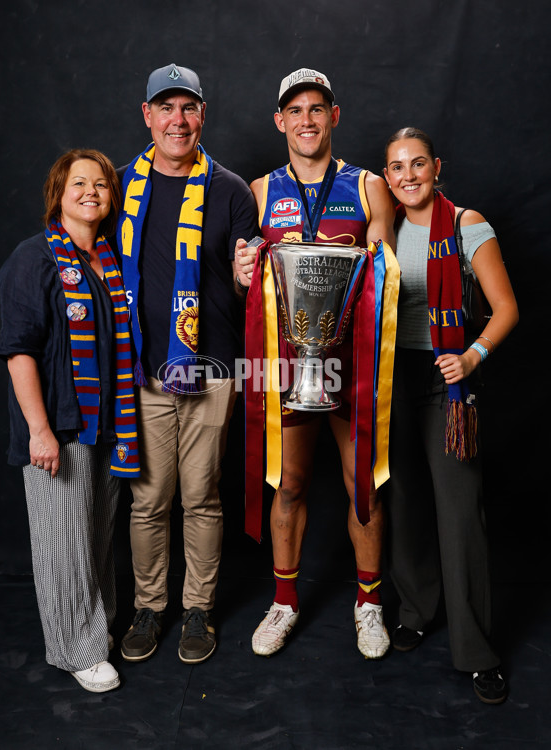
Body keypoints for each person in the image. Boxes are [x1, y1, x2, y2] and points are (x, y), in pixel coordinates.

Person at [235, 68, 396, 659]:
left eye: (317, 109)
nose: (307, 120)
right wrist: (241, 271)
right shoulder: (258, 189)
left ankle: (370, 605)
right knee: (290, 483)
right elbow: (242, 272)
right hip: (285, 361)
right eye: (295, 111)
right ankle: (284, 602)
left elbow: (385, 268)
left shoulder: (368, 186)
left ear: (335, 115)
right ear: (281, 121)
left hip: (353, 359)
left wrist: (361, 259)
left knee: (365, 486)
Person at [117, 63, 258, 665]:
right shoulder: (120, 184)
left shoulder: (231, 191)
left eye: (189, 108)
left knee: (201, 497)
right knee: (149, 499)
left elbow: (245, 286)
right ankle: (150, 606)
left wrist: (247, 276)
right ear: (147, 115)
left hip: (213, 367)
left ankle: (197, 608)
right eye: (166, 108)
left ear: (203, 115)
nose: (178, 120)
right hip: (142, 366)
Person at [382, 127, 518, 704]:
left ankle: (477, 649)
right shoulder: (383, 226)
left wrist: (471, 355)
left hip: (448, 385)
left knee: (459, 515)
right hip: (394, 378)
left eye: (417, 164)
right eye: (396, 168)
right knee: (406, 502)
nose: (407, 176)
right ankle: (416, 610)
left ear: (436, 166)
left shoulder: (466, 224)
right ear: (387, 176)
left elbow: (507, 307)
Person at [0, 149, 140, 693]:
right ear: (58, 193)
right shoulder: (33, 259)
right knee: (63, 545)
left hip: (107, 426)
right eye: (79, 183)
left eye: (101, 185)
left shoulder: (108, 261)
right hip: (56, 426)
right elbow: (18, 351)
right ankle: (74, 650)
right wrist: (39, 429)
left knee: (95, 540)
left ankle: (94, 631)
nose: (91, 193)